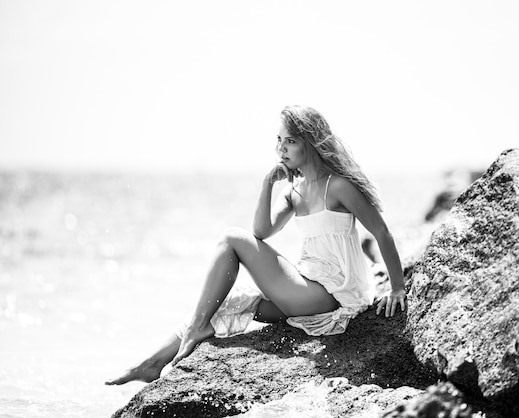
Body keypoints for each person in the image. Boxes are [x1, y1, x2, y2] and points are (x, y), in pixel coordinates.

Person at [105, 105, 407, 385]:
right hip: (304, 293)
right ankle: (153, 362)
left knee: (230, 239)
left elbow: (382, 232)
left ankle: (197, 329)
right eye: (279, 140)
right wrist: (267, 184)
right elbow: (262, 231)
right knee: (226, 301)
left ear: (310, 142)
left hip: (330, 293)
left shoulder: (339, 186)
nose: (281, 148)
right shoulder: (294, 192)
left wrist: (396, 288)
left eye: (289, 141)